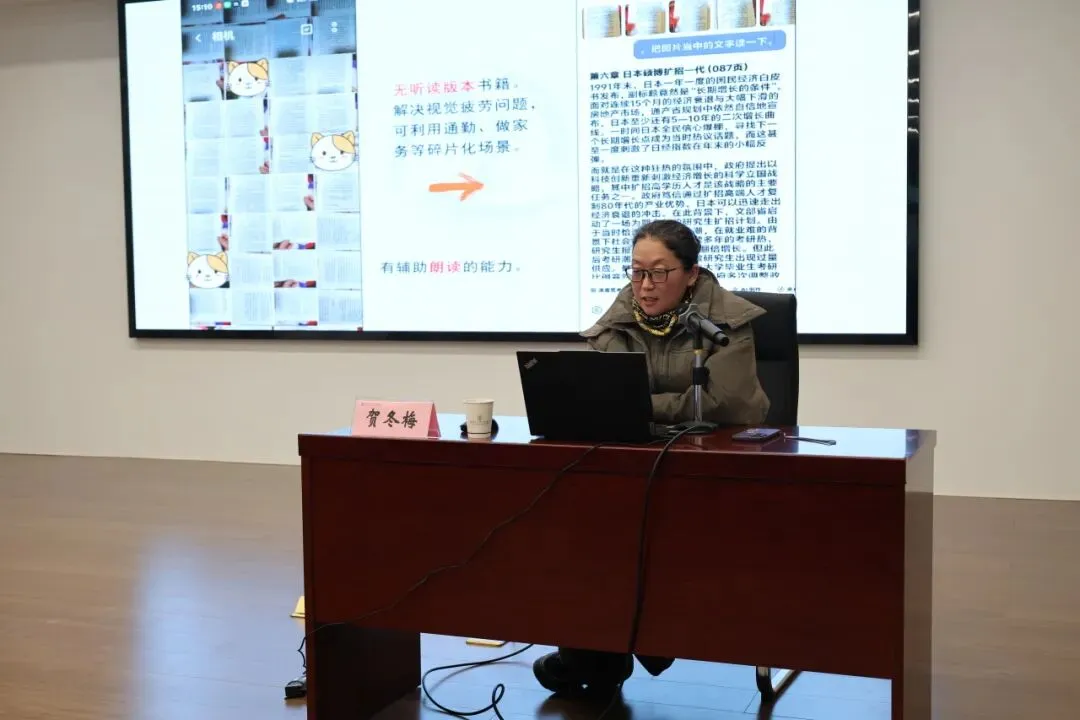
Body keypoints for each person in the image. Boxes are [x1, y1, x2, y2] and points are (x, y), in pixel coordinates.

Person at [532, 219, 771, 698]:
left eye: (659, 272)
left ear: (691, 273)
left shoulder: (728, 322)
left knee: (641, 531)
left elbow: (723, 404)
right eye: (637, 271)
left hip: (713, 474)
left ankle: (611, 651)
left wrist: (642, 406)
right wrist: (654, 406)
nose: (644, 285)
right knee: (584, 527)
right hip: (634, 468)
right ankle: (600, 650)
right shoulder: (620, 318)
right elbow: (600, 395)